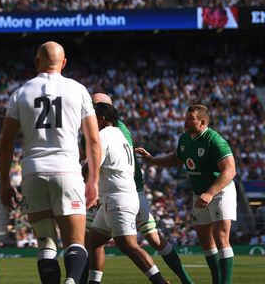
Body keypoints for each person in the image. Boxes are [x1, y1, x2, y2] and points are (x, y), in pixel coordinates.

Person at [0, 41, 101, 284]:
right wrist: (93, 181)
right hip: (67, 170)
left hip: (33, 172)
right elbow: (94, 141)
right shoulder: (78, 90)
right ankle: (72, 281)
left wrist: (4, 183)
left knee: (45, 243)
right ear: (64, 63)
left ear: (36, 62)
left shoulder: (20, 93)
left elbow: (6, 143)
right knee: (75, 242)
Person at [87, 93, 193, 284]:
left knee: (128, 245)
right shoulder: (120, 132)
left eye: (93, 114)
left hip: (118, 197)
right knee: (93, 242)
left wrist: (76, 171)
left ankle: (160, 282)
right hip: (119, 195)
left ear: (102, 118)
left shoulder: (103, 136)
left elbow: (92, 166)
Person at [136, 104, 237, 284]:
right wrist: (152, 159)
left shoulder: (214, 140)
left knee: (221, 238)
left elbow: (230, 171)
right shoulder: (184, 138)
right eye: (186, 117)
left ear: (203, 122)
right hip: (199, 194)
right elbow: (176, 159)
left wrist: (210, 193)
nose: (185, 121)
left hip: (219, 192)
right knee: (206, 243)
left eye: (190, 119)